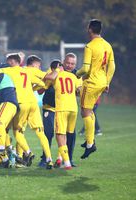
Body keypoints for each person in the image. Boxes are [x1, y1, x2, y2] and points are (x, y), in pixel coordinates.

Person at [0, 54, 53, 169]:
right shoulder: (28, 72)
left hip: (21, 103)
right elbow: (42, 84)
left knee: (17, 132)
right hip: (33, 103)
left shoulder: (9, 71)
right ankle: (49, 159)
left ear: (11, 61)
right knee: (40, 133)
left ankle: (26, 153)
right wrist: (31, 89)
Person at [76, 19, 115, 159]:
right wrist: (107, 82)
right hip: (102, 82)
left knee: (85, 112)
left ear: (90, 29)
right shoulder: (107, 45)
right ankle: (89, 140)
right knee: (90, 111)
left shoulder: (90, 46)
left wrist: (76, 74)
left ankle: (90, 144)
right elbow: (112, 66)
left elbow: (85, 68)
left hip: (91, 82)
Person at [45, 60, 82, 170]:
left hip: (62, 108)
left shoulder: (57, 74)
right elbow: (79, 91)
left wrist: (56, 70)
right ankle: (61, 158)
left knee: (59, 135)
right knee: (67, 134)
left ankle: (67, 163)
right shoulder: (73, 76)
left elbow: (48, 78)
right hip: (73, 109)